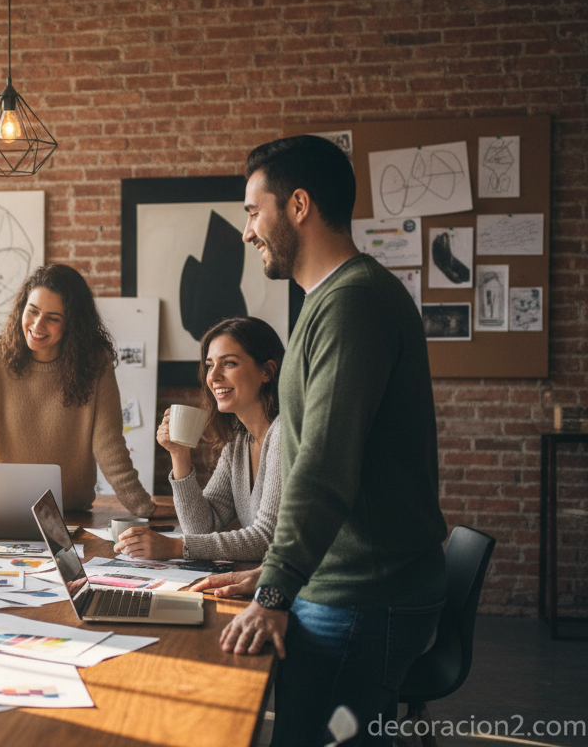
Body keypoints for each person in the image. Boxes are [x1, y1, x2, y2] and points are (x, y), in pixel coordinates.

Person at [209, 135, 448, 746]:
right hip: (343, 586)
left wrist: (275, 587)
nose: (247, 232)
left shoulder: (353, 303)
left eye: (252, 212)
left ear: (298, 205)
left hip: (362, 597)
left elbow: (321, 468)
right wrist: (273, 572)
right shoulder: (329, 300)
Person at [0, 263, 169, 525]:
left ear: (72, 325)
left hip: (71, 511)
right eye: (32, 311)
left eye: (53, 318)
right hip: (3, 507)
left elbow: (108, 444)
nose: (37, 324)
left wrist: (142, 506)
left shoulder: (95, 363)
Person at [115, 316, 284, 562]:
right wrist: (179, 454)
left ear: (267, 371)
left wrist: (176, 547)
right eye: (209, 365)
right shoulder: (238, 445)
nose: (213, 376)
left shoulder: (283, 433)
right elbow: (201, 527)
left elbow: (268, 539)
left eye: (229, 363)